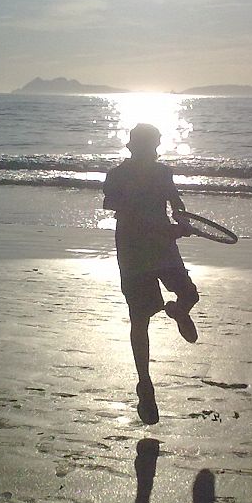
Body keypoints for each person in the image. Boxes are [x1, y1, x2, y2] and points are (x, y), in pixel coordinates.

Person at [103, 124, 199, 424]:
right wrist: (168, 229)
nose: (156, 151)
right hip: (135, 251)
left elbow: (177, 205)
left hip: (160, 246)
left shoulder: (163, 173)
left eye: (158, 145)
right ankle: (144, 384)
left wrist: (181, 222)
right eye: (153, 145)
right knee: (140, 320)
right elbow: (126, 214)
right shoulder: (117, 176)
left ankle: (178, 311)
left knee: (189, 294)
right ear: (135, 147)